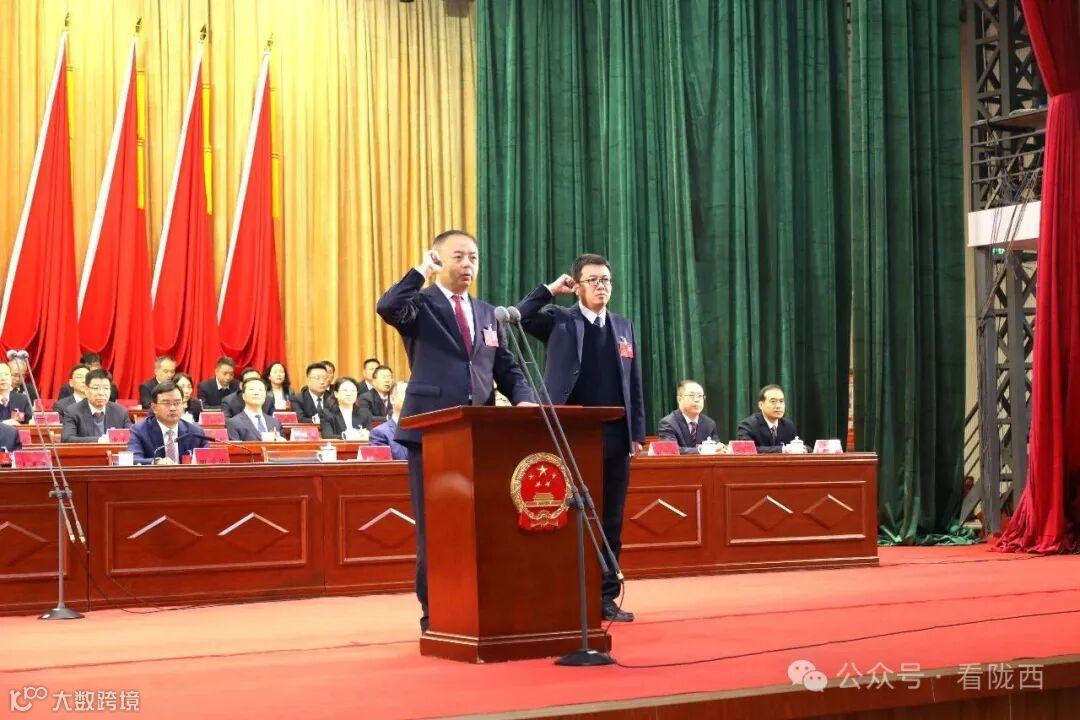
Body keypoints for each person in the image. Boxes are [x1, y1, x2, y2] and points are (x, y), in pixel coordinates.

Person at [376, 229, 535, 632]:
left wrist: (524, 400)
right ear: (438, 259)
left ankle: (480, 605)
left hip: (480, 434)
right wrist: (421, 271)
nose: (468, 265)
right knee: (436, 527)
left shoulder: (488, 313)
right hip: (431, 432)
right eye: (459, 256)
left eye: (473, 258)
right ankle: (436, 613)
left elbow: (506, 368)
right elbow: (387, 306)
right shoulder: (420, 304)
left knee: (481, 523)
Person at [517, 253, 645, 622]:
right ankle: (565, 593)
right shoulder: (560, 320)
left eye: (606, 280)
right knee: (567, 515)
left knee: (611, 518)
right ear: (577, 286)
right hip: (569, 434)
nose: (601, 286)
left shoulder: (623, 326)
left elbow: (634, 383)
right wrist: (549, 290)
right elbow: (520, 315)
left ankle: (605, 595)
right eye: (593, 280)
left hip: (616, 435)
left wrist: (636, 432)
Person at [127, 381, 209, 464]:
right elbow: (133, 459)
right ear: (154, 408)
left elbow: (208, 460)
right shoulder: (139, 431)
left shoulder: (195, 432)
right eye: (166, 403)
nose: (173, 408)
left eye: (177, 403)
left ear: (183, 405)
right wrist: (156, 462)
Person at [60, 369, 133, 443]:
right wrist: (99, 440)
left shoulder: (120, 412)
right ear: (86, 390)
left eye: (106, 388)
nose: (101, 393)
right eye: (96, 388)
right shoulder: (73, 411)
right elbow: (67, 438)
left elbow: (132, 438)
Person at [657, 380, 721, 453]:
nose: (697, 400)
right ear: (679, 399)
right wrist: (702, 450)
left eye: (700, 396)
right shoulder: (668, 423)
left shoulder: (709, 423)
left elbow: (716, 447)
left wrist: (720, 448)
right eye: (691, 396)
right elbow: (671, 450)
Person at [736, 384, 799, 453]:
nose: (778, 406)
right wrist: (783, 449)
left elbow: (796, 447)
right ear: (761, 405)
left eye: (781, 401)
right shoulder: (748, 425)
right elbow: (745, 449)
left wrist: (802, 448)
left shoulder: (788, 425)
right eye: (773, 401)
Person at [226, 376, 284, 441]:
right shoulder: (234, 423)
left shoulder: (275, 422)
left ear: (265, 395)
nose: (256, 393)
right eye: (252, 389)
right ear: (243, 395)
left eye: (260, 390)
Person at [368, 381, 408, 460]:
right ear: (392, 399)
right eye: (406, 395)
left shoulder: (422, 430)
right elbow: (383, 465)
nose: (411, 400)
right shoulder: (379, 433)